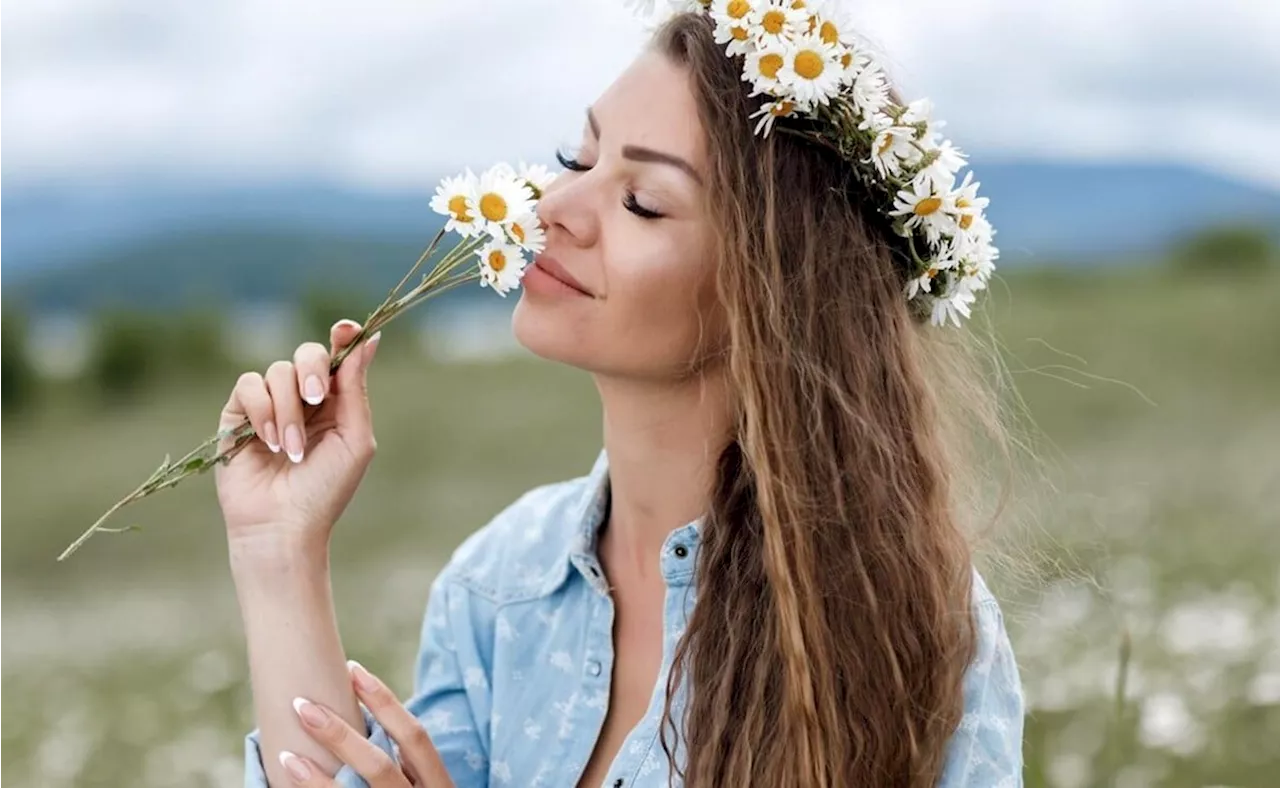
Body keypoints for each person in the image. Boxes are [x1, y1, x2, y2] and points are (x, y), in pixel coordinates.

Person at [221, 8, 1024, 788]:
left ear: (776, 293)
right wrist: (277, 551)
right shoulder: (500, 585)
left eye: (642, 201)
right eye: (577, 159)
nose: (550, 209)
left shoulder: (915, 633)